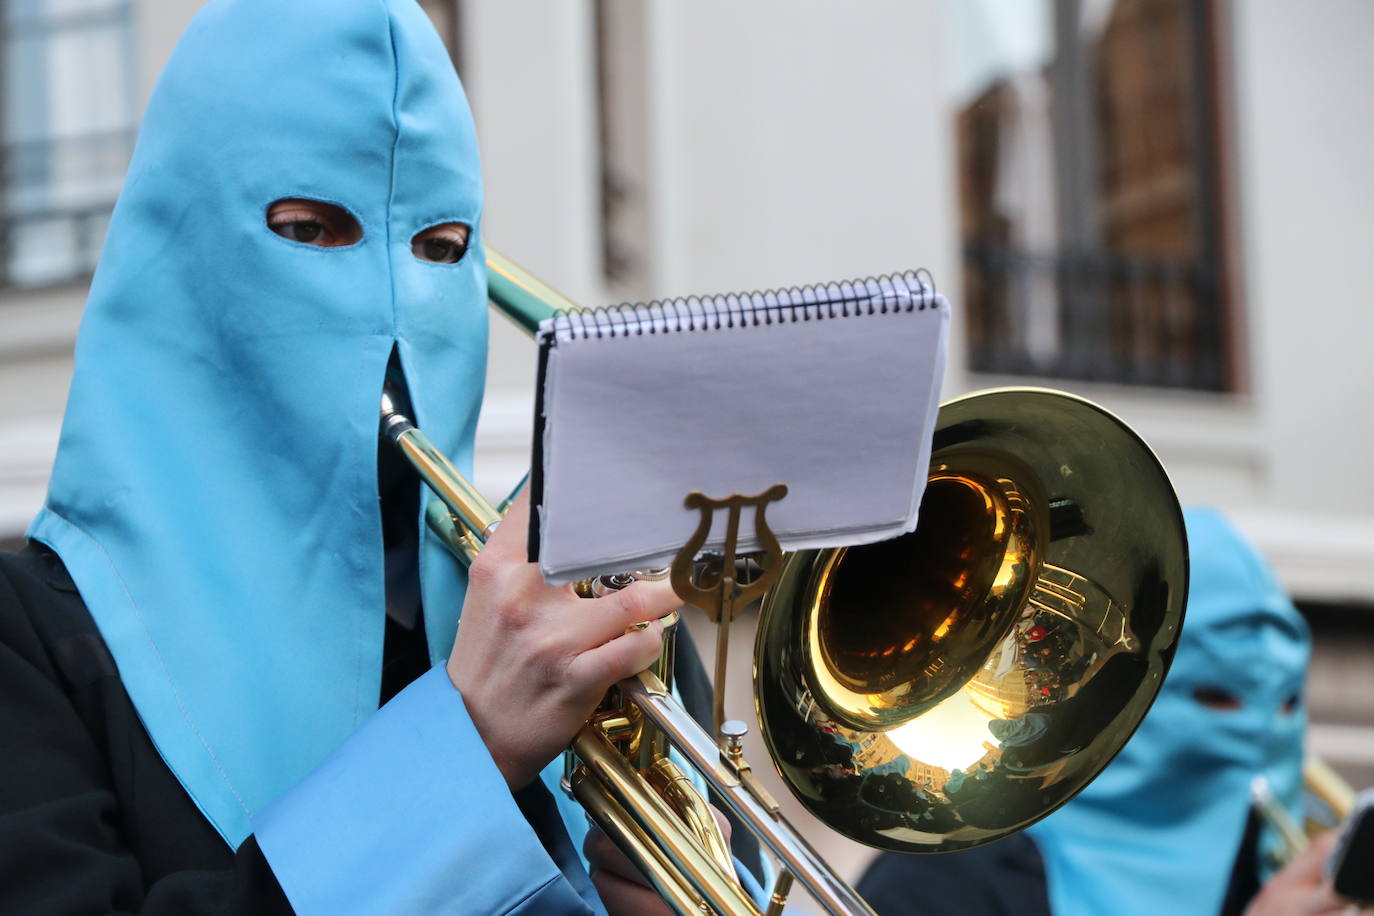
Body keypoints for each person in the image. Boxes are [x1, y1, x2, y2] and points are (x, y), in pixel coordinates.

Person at [0, 1, 725, 912]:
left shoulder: (580, 604)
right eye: (308, 230)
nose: (393, 301)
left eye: (440, 247)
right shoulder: (27, 639)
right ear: (181, 247)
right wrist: (464, 753)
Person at [856, 507, 1346, 916]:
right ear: (1117, 694)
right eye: (1217, 699)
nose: (1258, 730)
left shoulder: (1286, 863)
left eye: (1287, 702)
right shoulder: (946, 877)